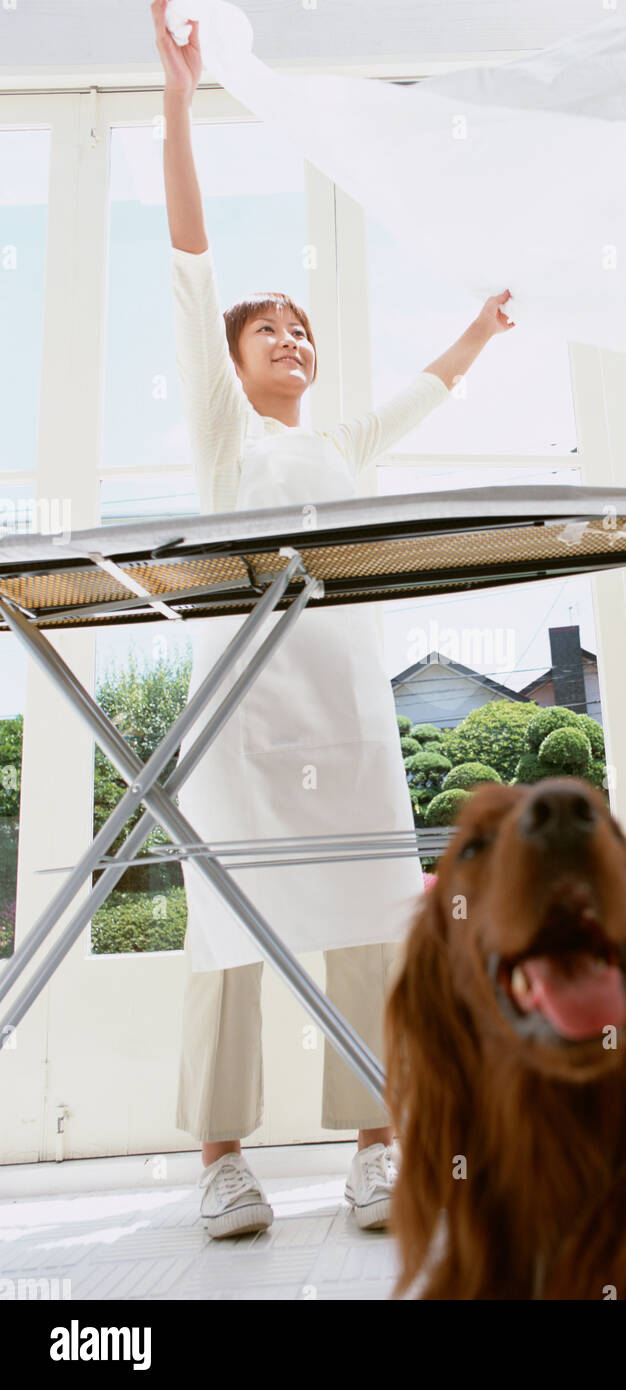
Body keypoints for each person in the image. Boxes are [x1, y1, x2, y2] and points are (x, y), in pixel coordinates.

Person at [152, 0, 514, 1238]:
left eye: (303, 327)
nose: (293, 338)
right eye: (271, 328)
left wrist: (480, 324)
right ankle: (221, 1158)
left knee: (368, 920)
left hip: (348, 716)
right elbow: (188, 256)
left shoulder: (344, 447)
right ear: (233, 358)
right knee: (230, 932)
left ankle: (377, 1141)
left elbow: (431, 387)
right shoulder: (223, 438)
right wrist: (180, 99)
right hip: (241, 723)